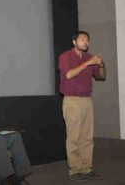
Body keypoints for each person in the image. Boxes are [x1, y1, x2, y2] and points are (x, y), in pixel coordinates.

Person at [59, 31, 106, 182]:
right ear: (74, 42)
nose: (86, 42)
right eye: (82, 39)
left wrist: (101, 64)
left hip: (87, 100)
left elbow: (101, 76)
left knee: (87, 137)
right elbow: (69, 75)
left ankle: (86, 168)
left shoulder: (89, 57)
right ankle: (75, 170)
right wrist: (88, 63)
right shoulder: (66, 56)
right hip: (72, 101)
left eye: (88, 40)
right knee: (74, 137)